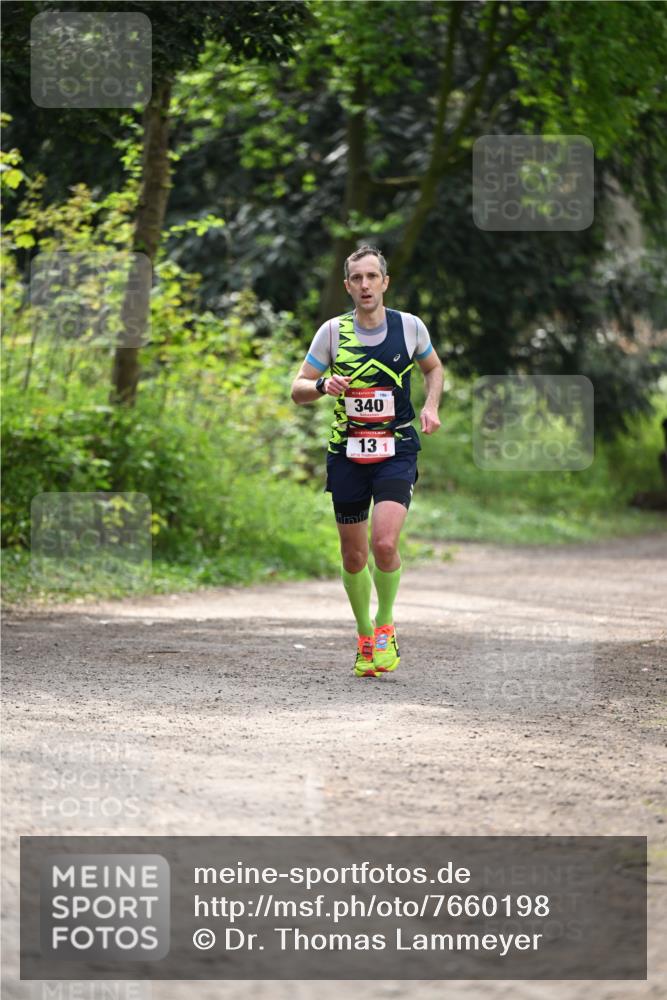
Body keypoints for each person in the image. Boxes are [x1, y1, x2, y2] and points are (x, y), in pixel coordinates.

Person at [291, 245, 443, 677]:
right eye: (356, 279)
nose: (365, 285)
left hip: (397, 449)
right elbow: (297, 388)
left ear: (385, 282)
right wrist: (322, 385)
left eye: (372, 277)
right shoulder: (333, 333)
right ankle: (363, 633)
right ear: (347, 286)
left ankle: (385, 624)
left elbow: (434, 369)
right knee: (354, 556)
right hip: (347, 453)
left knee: (385, 544)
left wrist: (431, 407)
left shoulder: (409, 327)